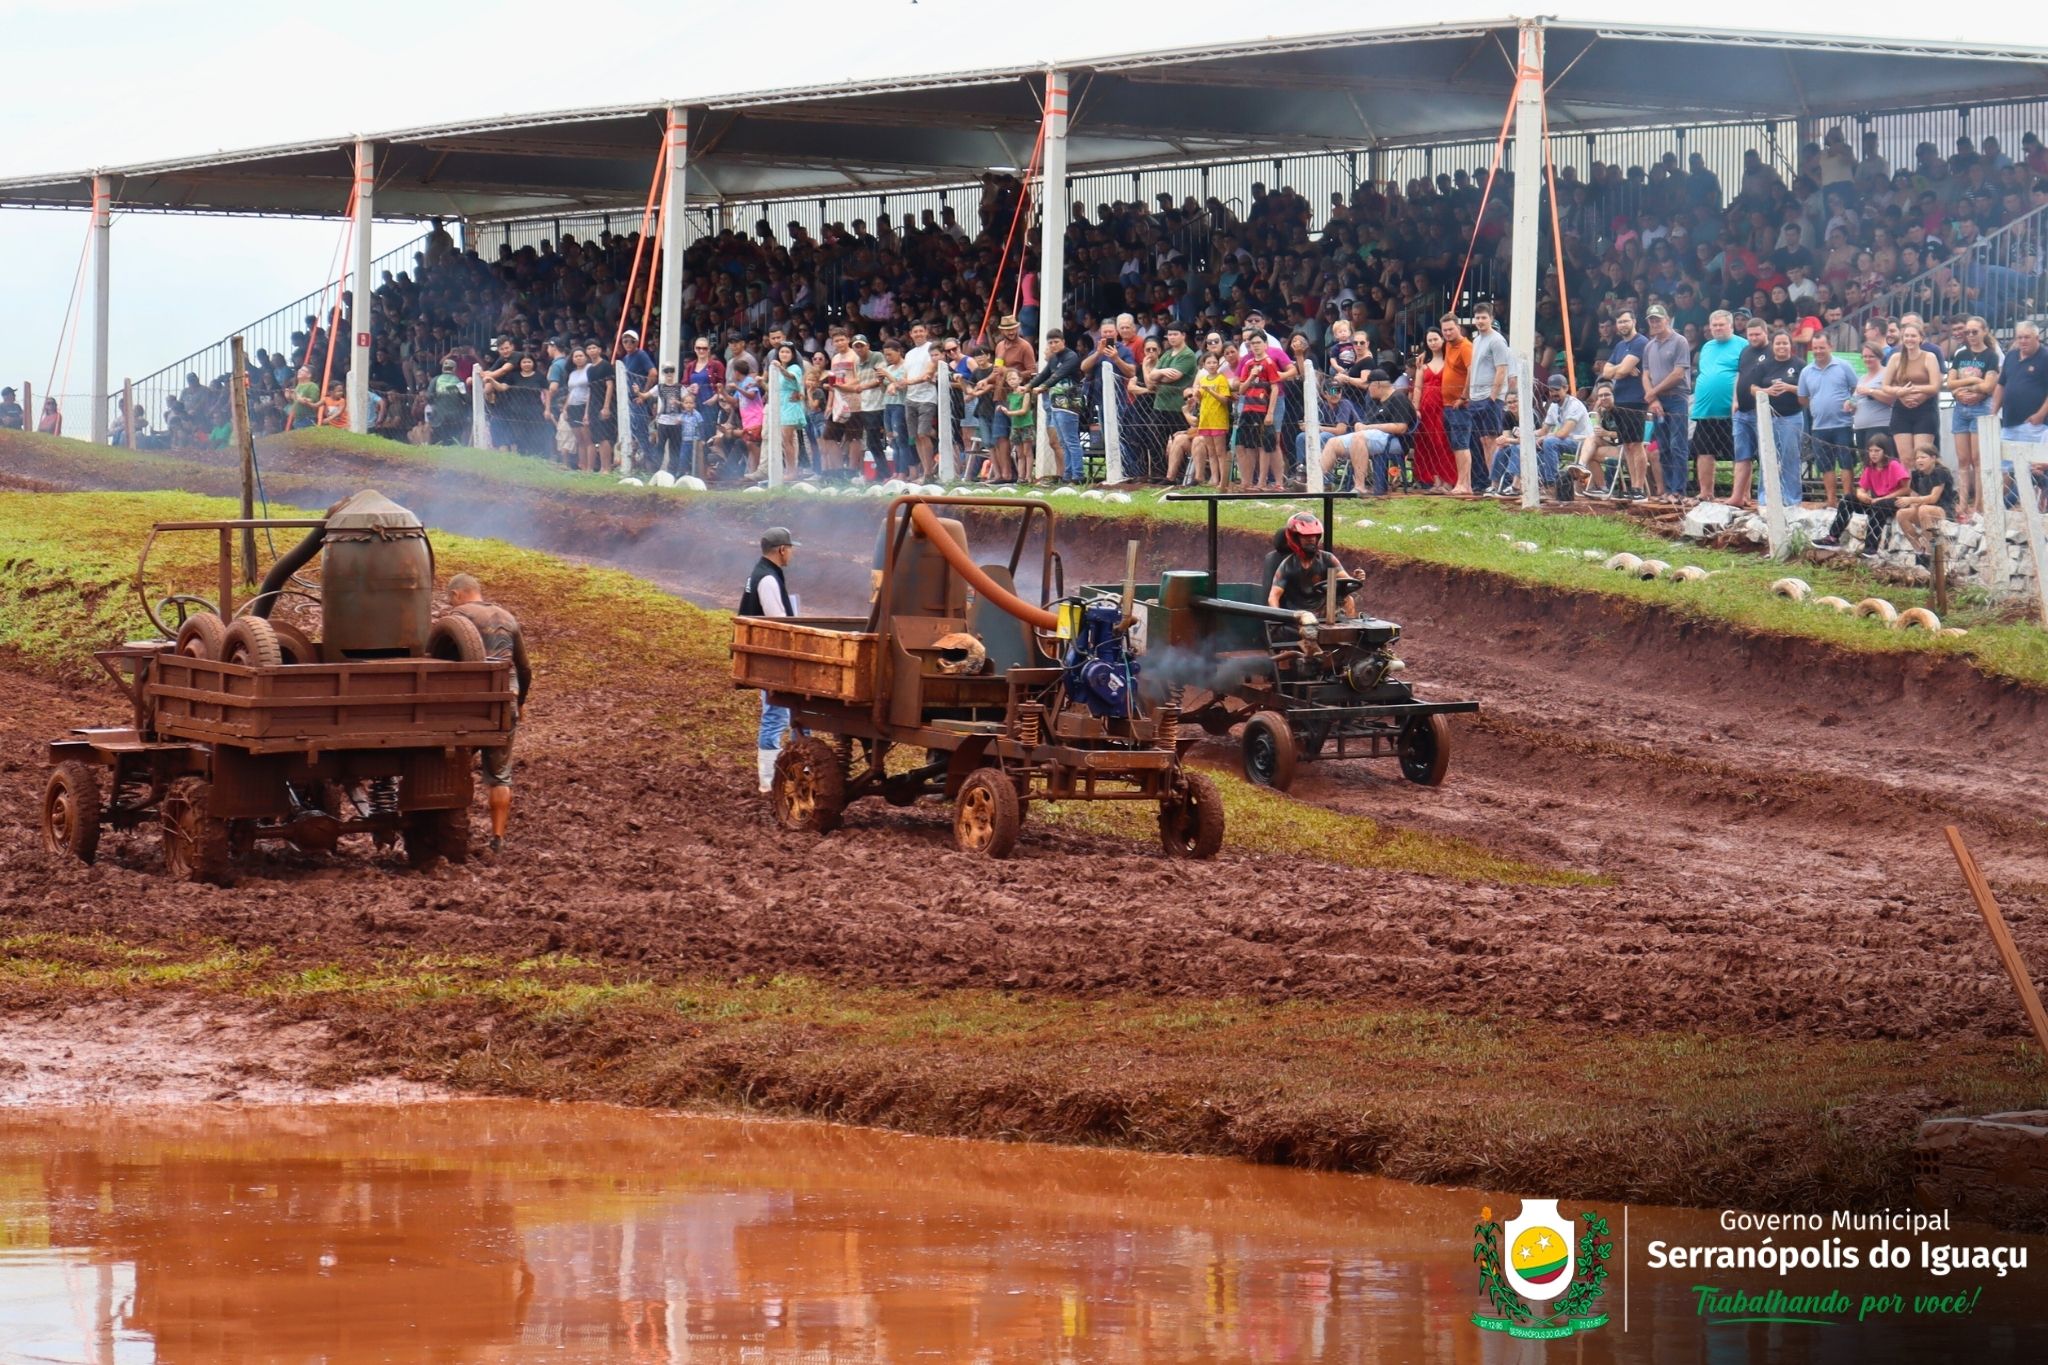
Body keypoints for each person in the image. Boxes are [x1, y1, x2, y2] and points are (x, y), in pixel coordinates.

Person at [447, 572, 533, 854]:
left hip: (466, 706)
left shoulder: (456, 618)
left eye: (451, 598)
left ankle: (451, 826)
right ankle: (497, 838)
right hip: (504, 703)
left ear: (458, 594)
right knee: (500, 774)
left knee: (451, 764)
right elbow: (525, 669)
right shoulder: (508, 618)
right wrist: (520, 702)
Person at [739, 527, 801, 794]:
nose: (792, 553)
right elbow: (778, 619)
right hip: (772, 657)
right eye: (790, 548)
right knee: (775, 715)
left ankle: (777, 776)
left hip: (766, 655)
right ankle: (768, 780)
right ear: (781, 550)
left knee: (781, 713)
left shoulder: (761, 573)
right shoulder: (768, 579)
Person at [1814, 433, 1911, 556]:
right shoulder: (1870, 467)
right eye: (1871, 451)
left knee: (1879, 506)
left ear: (1885, 451)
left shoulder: (1894, 465)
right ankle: (1832, 538)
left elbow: (1906, 489)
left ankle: (1871, 547)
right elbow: (1861, 488)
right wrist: (1861, 494)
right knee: (1848, 499)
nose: (1873, 454)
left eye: (1877, 450)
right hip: (1876, 502)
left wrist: (1883, 498)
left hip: (1894, 502)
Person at [1945, 316, 2000, 520]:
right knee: (1963, 459)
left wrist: (1964, 386)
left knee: (1978, 459)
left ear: (1985, 331)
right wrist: (1973, 380)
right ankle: (1961, 503)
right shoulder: (1960, 354)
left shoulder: (1991, 356)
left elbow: (1989, 387)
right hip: (1961, 408)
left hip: (1980, 407)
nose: (1970, 336)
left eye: (1975, 332)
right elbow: (1949, 383)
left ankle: (1978, 504)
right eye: (1967, 332)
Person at [1796, 334, 1860, 508]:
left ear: (1830, 346)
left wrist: (1851, 403)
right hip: (1819, 426)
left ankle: (1848, 500)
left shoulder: (1843, 366)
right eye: (1815, 348)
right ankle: (1831, 501)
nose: (1818, 351)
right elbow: (1802, 398)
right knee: (1825, 465)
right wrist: (1818, 404)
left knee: (1846, 462)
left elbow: (1857, 388)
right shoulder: (1806, 371)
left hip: (1843, 424)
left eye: (1821, 347)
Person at [1749, 330, 1809, 510]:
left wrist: (1789, 387)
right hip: (1767, 418)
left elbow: (1807, 390)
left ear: (1791, 346)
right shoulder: (1764, 365)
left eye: (1785, 343)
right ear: (1772, 346)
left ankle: (1791, 498)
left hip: (1791, 418)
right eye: (1778, 343)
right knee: (1767, 457)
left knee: (1790, 457)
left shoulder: (1800, 365)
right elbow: (1751, 387)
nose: (1782, 347)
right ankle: (1765, 498)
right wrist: (1766, 391)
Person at [1690, 310, 1744, 502]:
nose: (1718, 328)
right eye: (1714, 325)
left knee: (1741, 453)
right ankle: (1706, 493)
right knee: (1704, 450)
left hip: (1732, 410)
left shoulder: (1742, 345)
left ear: (1731, 325)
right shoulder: (1707, 347)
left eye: (1721, 324)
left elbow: (1745, 374)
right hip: (1705, 410)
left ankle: (1741, 495)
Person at [1640, 305, 1691, 501]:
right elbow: (1645, 374)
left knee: (1678, 444)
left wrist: (1653, 392)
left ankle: (1679, 490)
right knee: (1662, 445)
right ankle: (1668, 489)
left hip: (1676, 398)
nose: (1655, 323)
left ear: (1667, 320)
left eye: (1658, 319)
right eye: (1651, 320)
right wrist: (1653, 398)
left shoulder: (1680, 341)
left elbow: (1678, 373)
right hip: (1658, 402)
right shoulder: (1649, 346)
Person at [1599, 309, 1651, 500]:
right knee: (1627, 445)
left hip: (1635, 401)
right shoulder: (1620, 345)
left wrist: (1619, 370)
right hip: (1619, 399)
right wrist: (1620, 369)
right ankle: (1632, 487)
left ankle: (1639, 487)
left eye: (1625, 321)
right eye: (1619, 322)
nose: (1622, 325)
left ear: (1634, 321)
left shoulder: (1641, 342)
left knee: (1636, 444)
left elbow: (1620, 372)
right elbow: (1606, 372)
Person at [1267, 512, 1356, 617]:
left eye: (1314, 535)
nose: (1311, 539)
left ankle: (1350, 630)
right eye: (1306, 536)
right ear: (1295, 538)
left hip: (1324, 611)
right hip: (1299, 615)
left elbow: (1346, 580)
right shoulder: (1288, 565)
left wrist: (1355, 580)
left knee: (1348, 599)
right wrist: (1279, 617)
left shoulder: (1328, 558)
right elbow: (1273, 597)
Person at [1465, 304, 1512, 492]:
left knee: (1492, 440)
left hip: (1490, 398)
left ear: (1491, 318)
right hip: (1475, 397)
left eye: (1483, 317)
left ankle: (1497, 482)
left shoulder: (1497, 340)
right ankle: (1491, 481)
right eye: (1477, 318)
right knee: (1483, 441)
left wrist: (1493, 397)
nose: (1480, 321)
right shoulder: (1476, 341)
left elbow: (1501, 369)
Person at [1881, 319, 1942, 461]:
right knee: (1906, 459)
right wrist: (1899, 392)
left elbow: (1935, 386)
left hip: (1925, 410)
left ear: (1921, 338)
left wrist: (1913, 390)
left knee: (1922, 456)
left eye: (1913, 336)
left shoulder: (1929, 357)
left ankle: (1926, 483)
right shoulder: (1895, 358)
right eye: (1906, 336)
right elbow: (1885, 386)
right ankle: (1907, 484)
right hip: (1901, 411)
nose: (1910, 339)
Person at [1894, 443, 1958, 567]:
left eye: (1923, 457)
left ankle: (1930, 552)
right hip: (1923, 510)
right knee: (1902, 514)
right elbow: (1914, 496)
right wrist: (1911, 505)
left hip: (1943, 510)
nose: (1919, 461)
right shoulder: (1917, 475)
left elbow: (1933, 498)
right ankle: (1919, 549)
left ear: (1933, 458)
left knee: (1924, 509)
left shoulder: (1940, 472)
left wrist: (1911, 501)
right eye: (1917, 458)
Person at [1439, 314, 1475, 494]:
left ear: (1458, 328)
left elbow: (1471, 372)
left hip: (1460, 405)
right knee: (1456, 444)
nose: (1447, 333)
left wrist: (1464, 396)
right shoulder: (1447, 344)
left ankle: (1464, 484)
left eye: (1450, 329)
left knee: (1461, 444)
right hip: (1447, 404)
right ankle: (1462, 482)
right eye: (1444, 330)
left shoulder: (1466, 346)